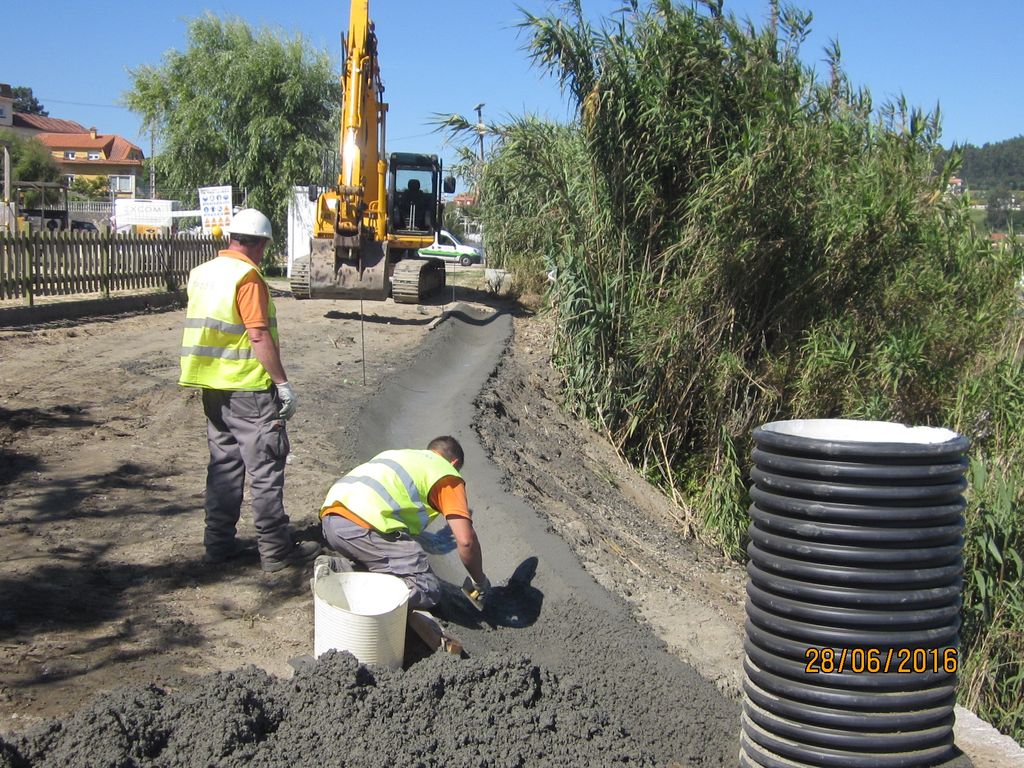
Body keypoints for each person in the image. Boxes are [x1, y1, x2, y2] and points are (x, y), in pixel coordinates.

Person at [179, 208, 319, 573]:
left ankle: (218, 546)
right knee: (265, 468)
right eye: (265, 247)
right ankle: (275, 551)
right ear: (258, 244)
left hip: (212, 386)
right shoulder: (248, 277)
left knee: (224, 466)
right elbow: (257, 334)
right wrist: (283, 384)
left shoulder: (202, 273)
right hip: (249, 389)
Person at [319, 436, 490, 610]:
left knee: (391, 560)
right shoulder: (446, 474)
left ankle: (341, 568)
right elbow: (466, 541)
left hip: (331, 520)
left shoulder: (398, 455)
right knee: (427, 589)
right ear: (454, 463)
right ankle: (343, 573)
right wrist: (479, 582)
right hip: (362, 528)